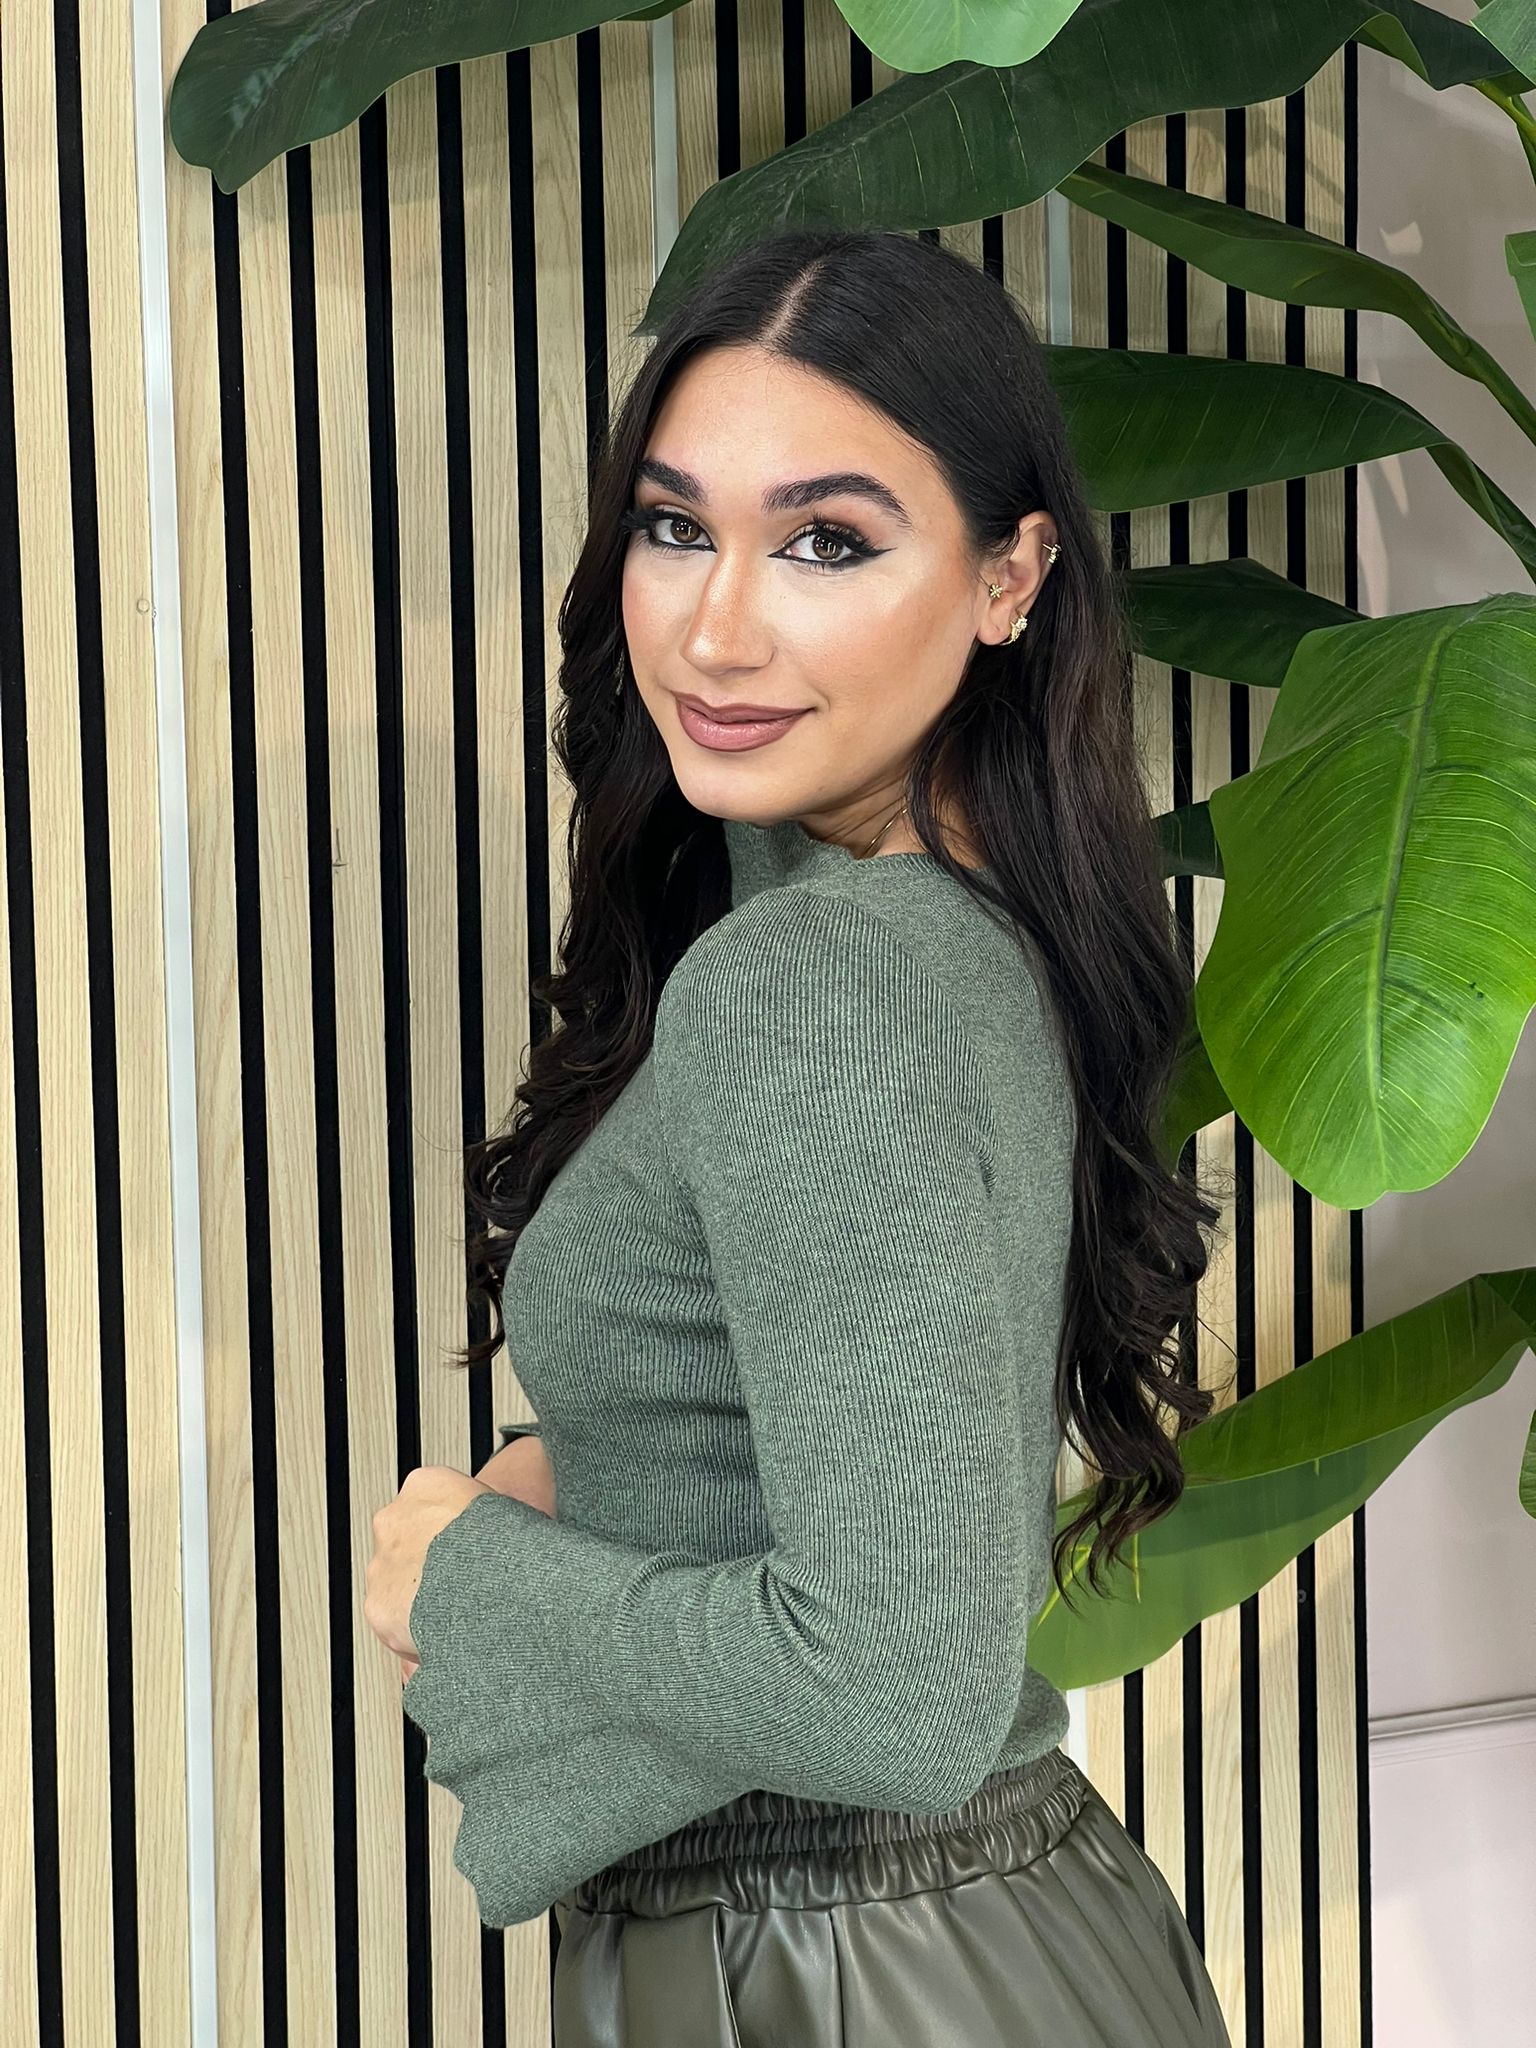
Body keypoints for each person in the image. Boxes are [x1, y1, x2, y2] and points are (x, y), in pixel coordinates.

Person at [365, 225, 1232, 2046]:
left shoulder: (820, 982)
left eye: (828, 541)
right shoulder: (966, 926)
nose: (716, 626)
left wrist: (473, 1576)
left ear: (1009, 579)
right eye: (675, 527)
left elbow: (899, 1696)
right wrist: (604, 1464)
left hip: (841, 1972)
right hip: (967, 1934)